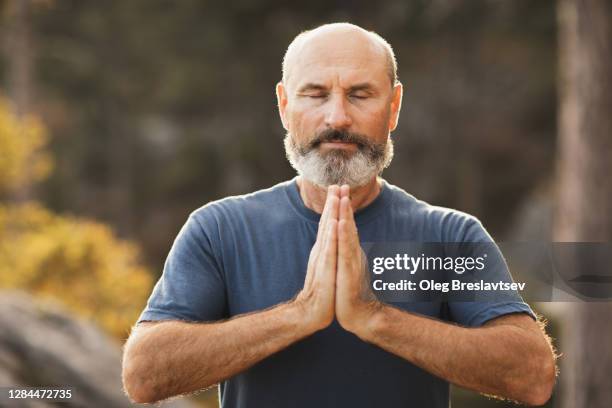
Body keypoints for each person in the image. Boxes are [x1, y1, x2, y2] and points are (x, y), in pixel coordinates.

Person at [122, 22, 556, 407]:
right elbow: (144, 376)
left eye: (360, 94)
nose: (338, 117)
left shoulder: (448, 235)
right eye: (315, 94)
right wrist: (299, 314)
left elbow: (532, 377)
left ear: (394, 107)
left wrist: (374, 317)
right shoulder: (219, 230)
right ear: (284, 106)